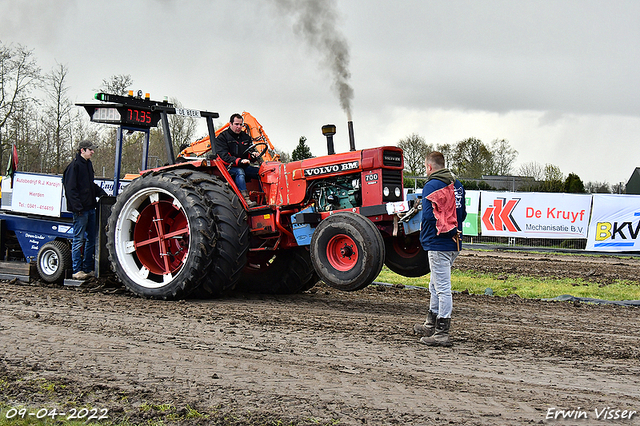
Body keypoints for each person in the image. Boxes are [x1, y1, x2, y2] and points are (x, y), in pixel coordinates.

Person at [414, 151, 466, 346]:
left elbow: (428, 215)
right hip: (454, 242)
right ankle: (431, 323)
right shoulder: (457, 184)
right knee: (435, 285)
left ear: (429, 167)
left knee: (442, 287)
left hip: (438, 243)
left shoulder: (432, 185)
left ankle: (441, 333)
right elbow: (463, 213)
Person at [63, 140, 107, 280]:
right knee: (78, 240)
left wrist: (102, 193)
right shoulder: (74, 166)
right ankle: (77, 270)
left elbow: (89, 185)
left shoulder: (88, 164)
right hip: (81, 211)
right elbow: (70, 189)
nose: (92, 152)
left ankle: (87, 268)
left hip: (90, 208)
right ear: (82, 150)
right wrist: (78, 208)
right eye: (90, 150)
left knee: (91, 239)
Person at [214, 113, 260, 207]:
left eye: (241, 124)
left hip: (242, 164)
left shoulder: (245, 137)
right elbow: (224, 156)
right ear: (230, 124)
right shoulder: (222, 138)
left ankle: (264, 198)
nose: (239, 127)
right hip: (227, 167)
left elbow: (249, 152)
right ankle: (245, 200)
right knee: (240, 172)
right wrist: (239, 161)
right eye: (236, 124)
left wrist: (253, 155)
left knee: (261, 172)